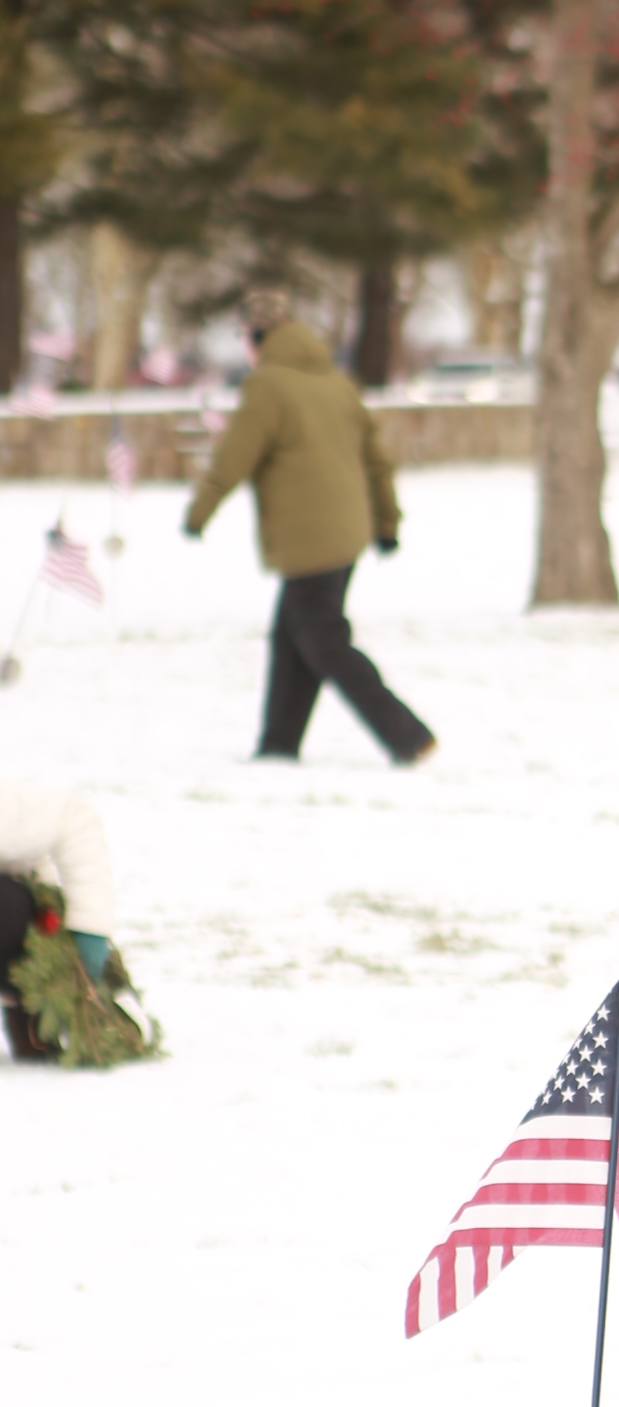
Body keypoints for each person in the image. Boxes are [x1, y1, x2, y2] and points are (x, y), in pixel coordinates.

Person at [183, 293, 436, 766]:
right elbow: (376, 461)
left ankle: (408, 736)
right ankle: (278, 745)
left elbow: (234, 457)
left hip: (309, 539)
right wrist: (386, 522)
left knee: (324, 642)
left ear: (259, 338)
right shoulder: (337, 383)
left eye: (245, 338)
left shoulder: (267, 388)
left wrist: (199, 512)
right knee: (293, 637)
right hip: (348, 533)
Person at [0, 778, 121, 1059]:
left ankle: (29, 1003)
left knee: (7, 906)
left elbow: (73, 816)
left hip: (18, 912)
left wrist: (89, 929)